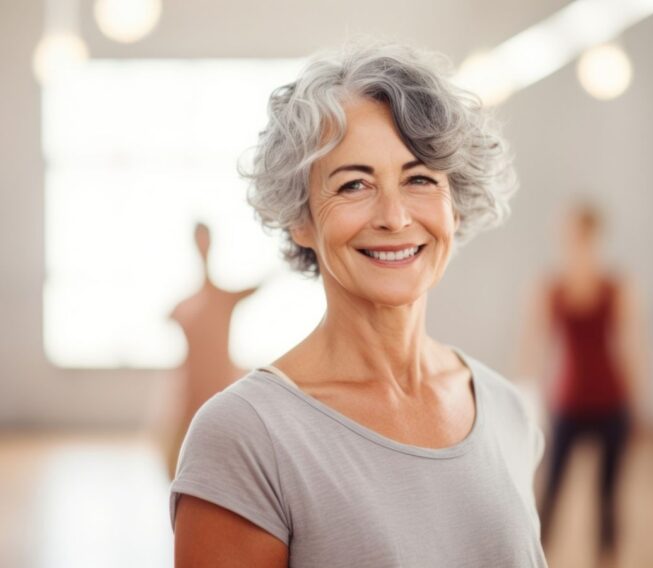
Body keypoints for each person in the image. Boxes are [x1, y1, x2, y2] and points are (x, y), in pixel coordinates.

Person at [169, 36, 548, 568]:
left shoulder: (506, 409)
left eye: (419, 178)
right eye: (353, 185)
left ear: (454, 206)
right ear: (300, 218)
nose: (394, 216)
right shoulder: (245, 437)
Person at [516, 199, 653, 568]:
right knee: (551, 493)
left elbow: (632, 347)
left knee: (607, 496)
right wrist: (527, 406)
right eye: (565, 233)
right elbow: (535, 352)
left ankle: (606, 562)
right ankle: (535, 560)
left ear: (593, 234)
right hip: (568, 406)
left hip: (612, 404)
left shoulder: (617, 285)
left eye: (576, 232)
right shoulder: (549, 288)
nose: (569, 239)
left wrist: (640, 405)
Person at [162, 222, 259, 480]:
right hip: (192, 383)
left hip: (219, 380)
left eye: (204, 240)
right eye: (199, 240)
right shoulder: (188, 305)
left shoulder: (222, 299)